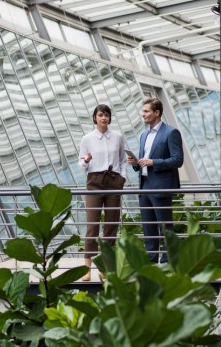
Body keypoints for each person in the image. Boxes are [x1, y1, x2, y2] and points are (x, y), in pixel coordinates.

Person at [127, 98, 183, 263]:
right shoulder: (144, 135)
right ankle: (151, 261)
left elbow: (178, 160)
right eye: (143, 111)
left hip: (161, 186)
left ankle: (167, 262)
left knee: (165, 227)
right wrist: (135, 163)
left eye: (146, 111)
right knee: (148, 227)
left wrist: (154, 162)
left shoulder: (171, 133)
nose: (142, 114)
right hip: (144, 185)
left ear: (157, 113)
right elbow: (144, 162)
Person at [78, 104, 127, 281]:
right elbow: (81, 165)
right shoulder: (87, 139)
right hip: (94, 182)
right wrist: (86, 161)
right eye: (100, 115)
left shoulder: (117, 137)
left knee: (111, 226)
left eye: (106, 115)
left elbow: (122, 160)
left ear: (109, 117)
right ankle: (87, 270)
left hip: (114, 181)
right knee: (92, 226)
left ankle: (105, 268)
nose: (104, 118)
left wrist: (122, 178)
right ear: (95, 118)